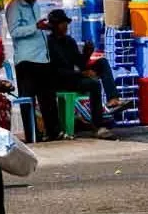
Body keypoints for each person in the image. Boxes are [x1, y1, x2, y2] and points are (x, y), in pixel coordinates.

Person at [46, 9, 133, 137]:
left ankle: (113, 99)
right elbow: (56, 71)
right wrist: (82, 74)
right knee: (93, 84)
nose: (64, 26)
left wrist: (87, 53)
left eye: (65, 23)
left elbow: (79, 63)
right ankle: (98, 125)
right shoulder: (49, 43)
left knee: (102, 62)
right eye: (61, 23)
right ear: (54, 26)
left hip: (74, 76)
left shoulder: (69, 41)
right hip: (61, 80)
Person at [5, 0, 63, 140]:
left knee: (48, 98)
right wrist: (35, 27)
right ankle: (32, 134)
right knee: (28, 99)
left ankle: (53, 132)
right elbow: (14, 32)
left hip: (42, 58)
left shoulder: (36, 5)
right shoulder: (15, 7)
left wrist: (45, 28)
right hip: (26, 60)